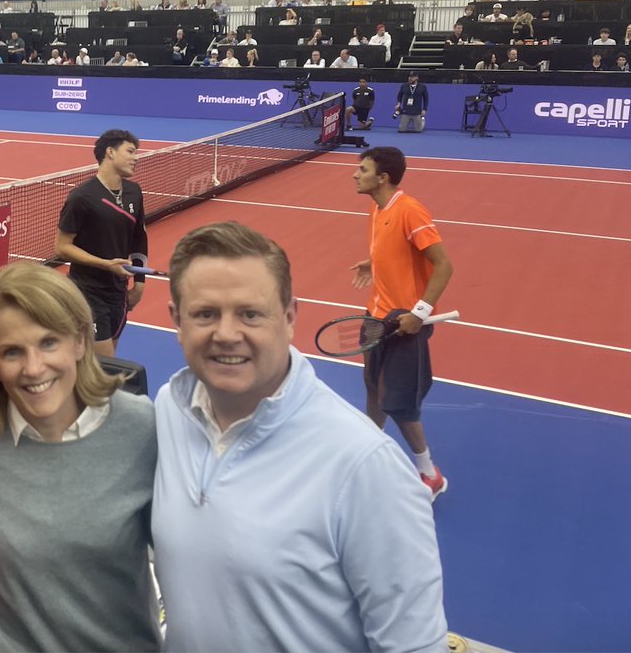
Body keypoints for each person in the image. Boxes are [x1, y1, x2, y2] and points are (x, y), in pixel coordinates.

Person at [152, 221, 447, 651]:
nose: (227, 334)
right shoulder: (170, 409)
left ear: (290, 317)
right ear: (177, 321)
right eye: (205, 314)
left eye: (250, 313)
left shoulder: (365, 465)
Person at [0, 262, 160, 652]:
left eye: (49, 342)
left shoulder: (144, 429)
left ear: (81, 341)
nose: (34, 369)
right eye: (11, 352)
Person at [351, 147, 455, 500]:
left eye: (362, 170)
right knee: (371, 387)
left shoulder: (409, 210)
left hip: (404, 322)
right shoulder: (377, 207)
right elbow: (394, 249)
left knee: (396, 400)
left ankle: (430, 473)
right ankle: (367, 457)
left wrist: (420, 313)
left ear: (382, 177)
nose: (355, 174)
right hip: (376, 316)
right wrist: (373, 263)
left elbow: (443, 265)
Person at [54, 129, 147, 358]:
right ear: (110, 152)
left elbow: (139, 239)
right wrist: (104, 264)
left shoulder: (134, 192)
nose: (136, 158)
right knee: (103, 364)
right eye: (131, 151)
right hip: (87, 291)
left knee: (105, 362)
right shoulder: (82, 198)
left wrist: (140, 283)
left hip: (118, 292)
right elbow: (62, 247)